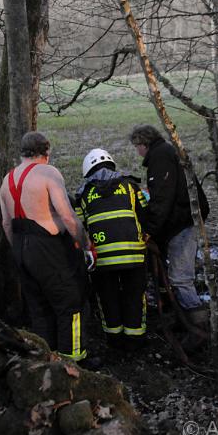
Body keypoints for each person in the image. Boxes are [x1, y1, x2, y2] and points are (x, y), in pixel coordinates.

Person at [0, 132, 92, 364]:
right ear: (46, 151)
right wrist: (86, 245)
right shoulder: (48, 173)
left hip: (20, 247)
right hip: (48, 246)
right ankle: (74, 364)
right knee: (70, 303)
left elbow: (6, 223)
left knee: (38, 308)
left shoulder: (7, 179)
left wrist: (20, 252)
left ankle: (43, 361)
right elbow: (68, 216)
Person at [129, 124, 207, 349]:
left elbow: (162, 199)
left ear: (143, 144)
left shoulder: (160, 158)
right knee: (177, 276)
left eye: (137, 147)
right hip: (184, 218)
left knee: (181, 278)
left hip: (183, 222)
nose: (137, 152)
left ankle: (199, 330)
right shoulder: (166, 152)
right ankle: (184, 321)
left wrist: (150, 230)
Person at [75, 148, 148, 352]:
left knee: (108, 297)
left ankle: (114, 340)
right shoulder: (131, 187)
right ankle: (135, 341)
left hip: (103, 260)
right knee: (134, 295)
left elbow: (79, 227)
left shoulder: (83, 194)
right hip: (134, 255)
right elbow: (145, 215)